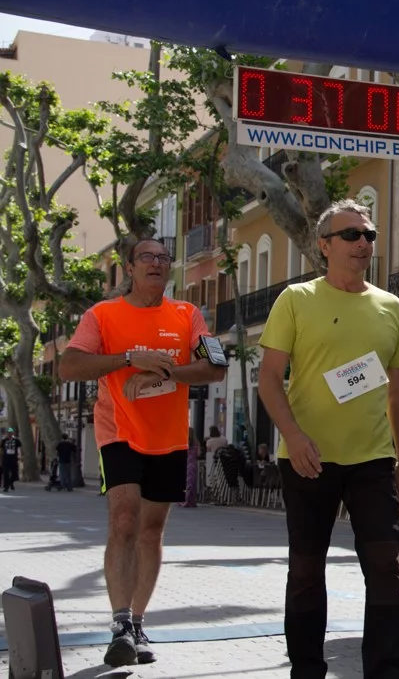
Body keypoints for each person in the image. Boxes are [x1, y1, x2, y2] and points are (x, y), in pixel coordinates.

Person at [257, 199, 399, 679]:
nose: (363, 243)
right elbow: (268, 380)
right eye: (351, 235)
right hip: (308, 459)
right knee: (306, 570)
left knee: (386, 568)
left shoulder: (391, 306)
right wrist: (294, 437)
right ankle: (306, 670)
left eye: (369, 235)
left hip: (372, 461)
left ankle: (386, 672)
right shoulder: (296, 300)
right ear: (324, 246)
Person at [59, 237, 227, 668]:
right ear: (129, 268)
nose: (156, 263)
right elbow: (70, 365)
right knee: (124, 518)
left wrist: (160, 372)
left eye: (163, 258)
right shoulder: (102, 314)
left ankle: (137, 622)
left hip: (168, 436)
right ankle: (118, 624)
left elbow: (214, 366)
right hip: (117, 430)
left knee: (151, 530)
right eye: (147, 257)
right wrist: (130, 359)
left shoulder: (187, 314)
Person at [1, 428, 21, 492]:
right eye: (8, 433)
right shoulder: (4, 441)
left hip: (14, 459)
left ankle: (11, 482)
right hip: (6, 459)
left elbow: (20, 448)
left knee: (15, 474)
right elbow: (1, 449)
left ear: (12, 433)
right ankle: (6, 487)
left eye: (10, 433)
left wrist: (21, 455)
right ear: (6, 433)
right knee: (6, 474)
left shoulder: (16, 440)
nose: (9, 434)